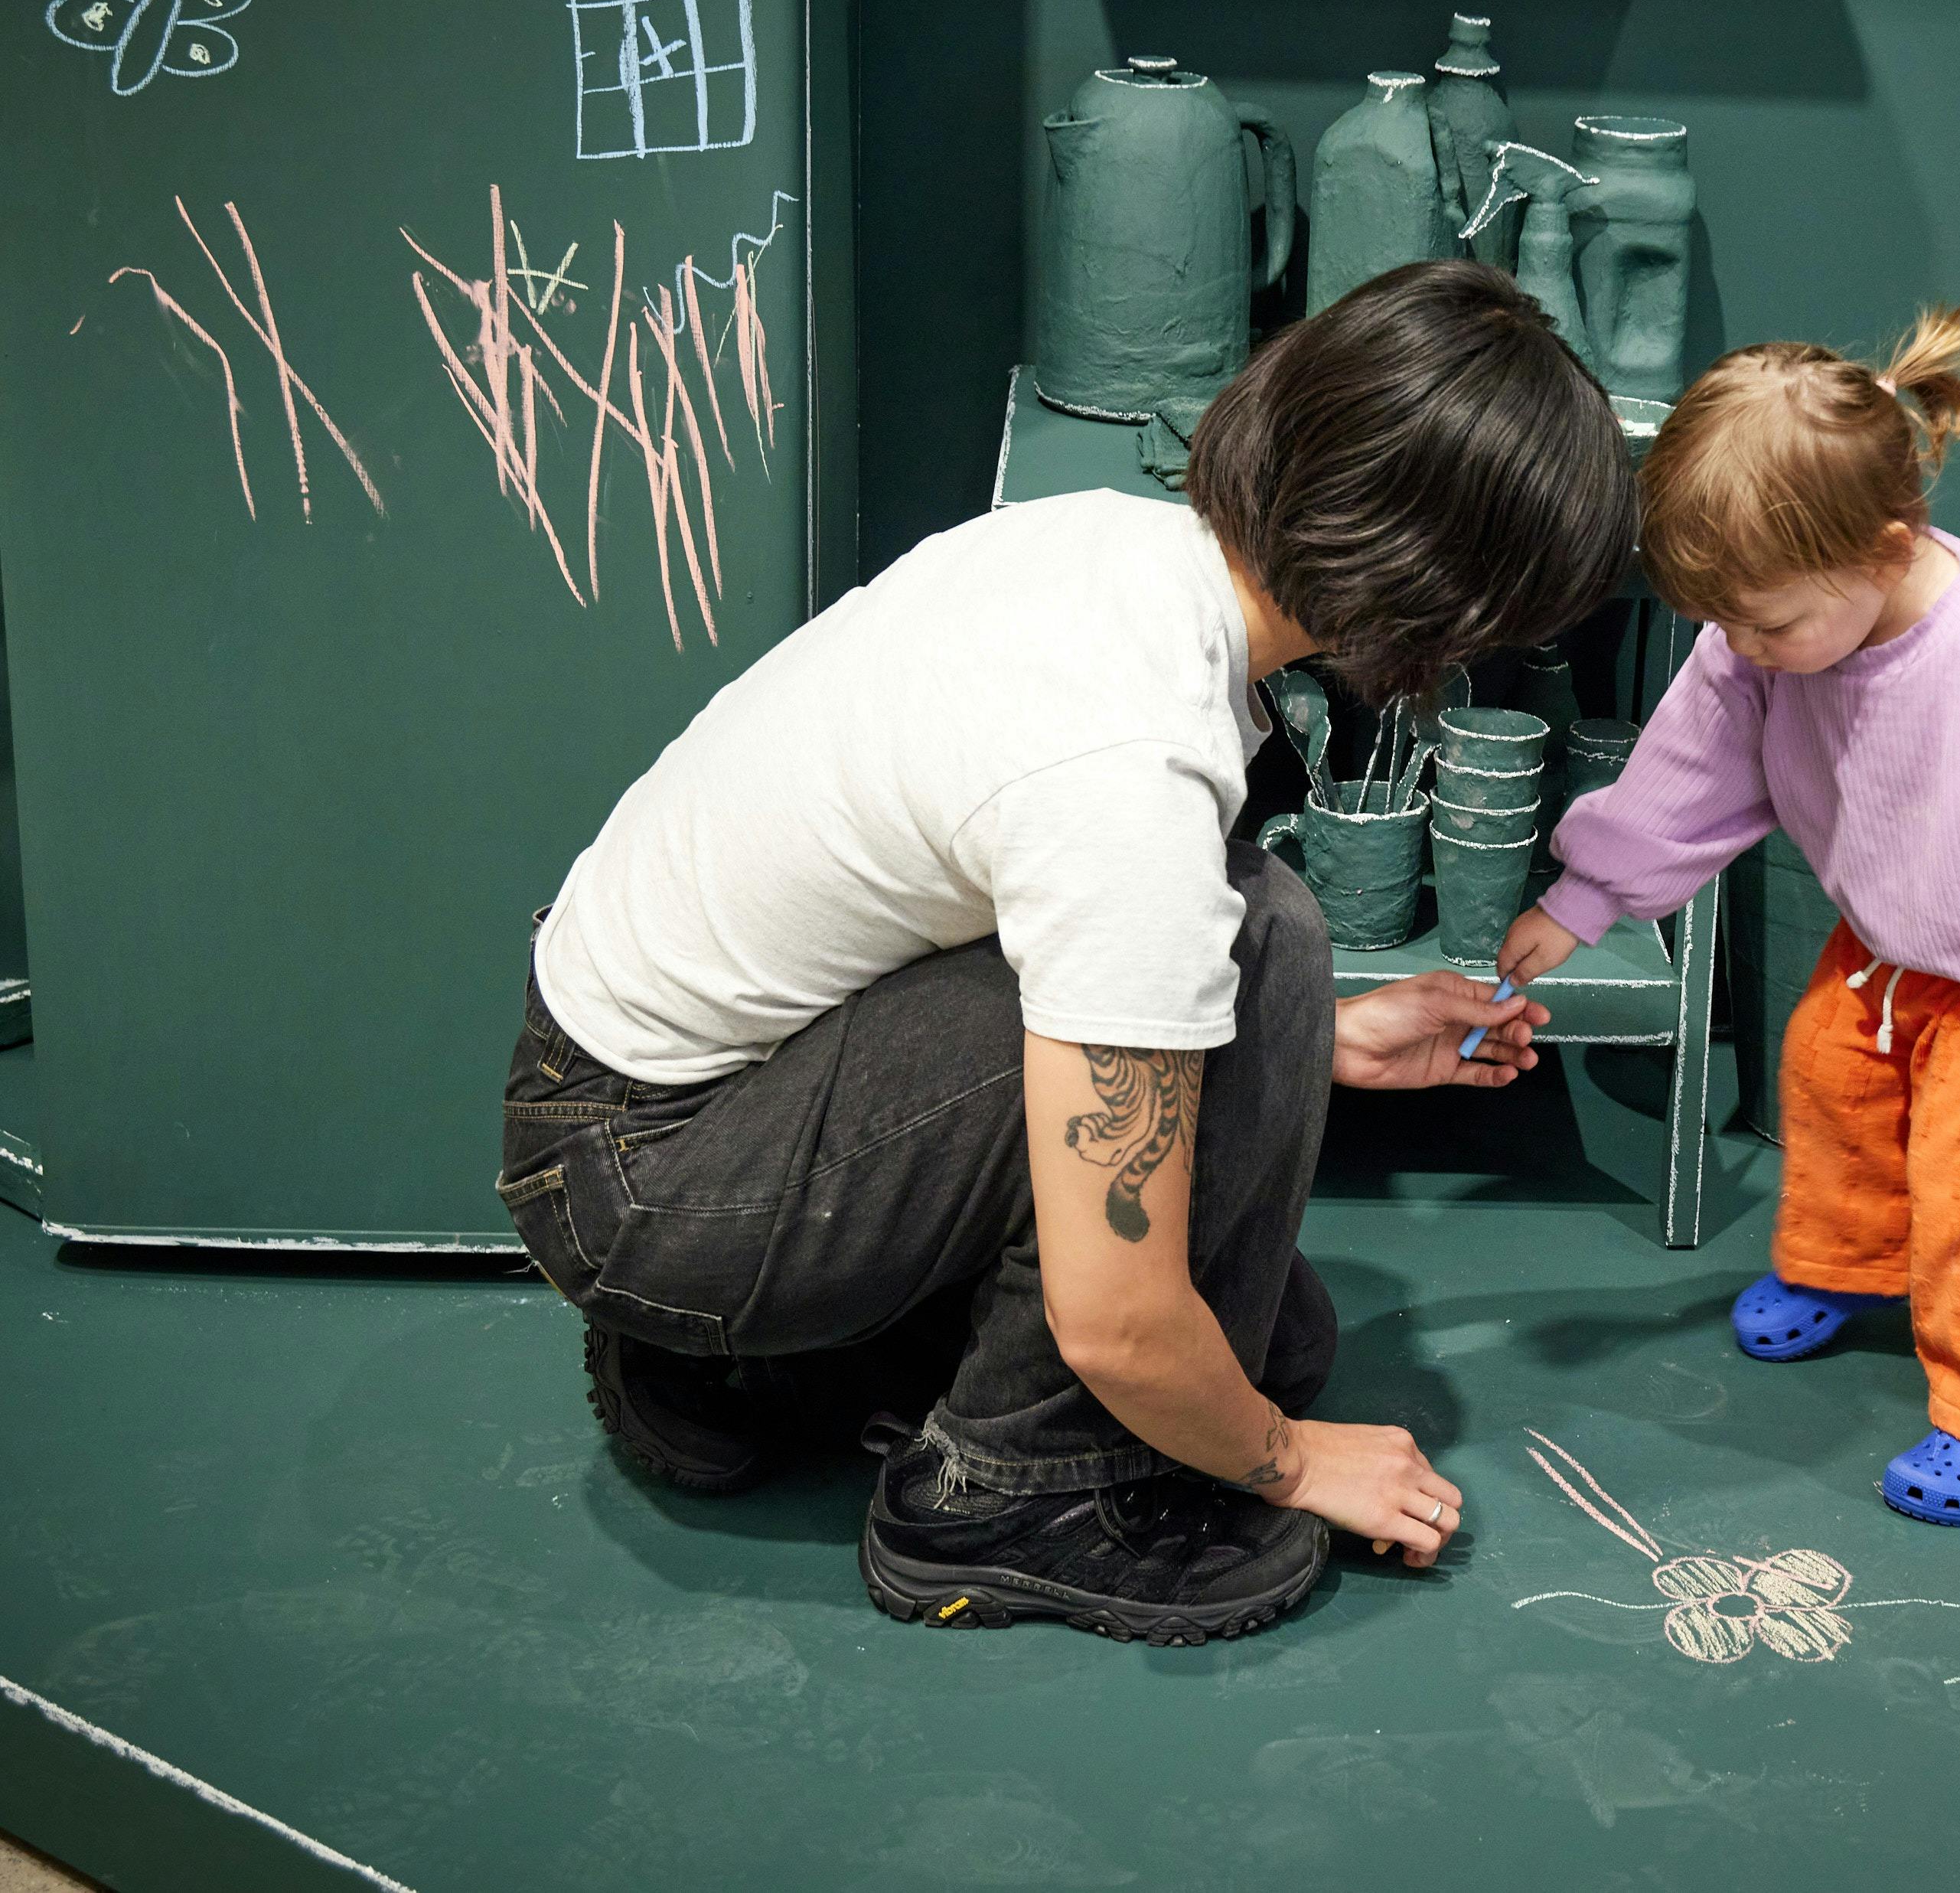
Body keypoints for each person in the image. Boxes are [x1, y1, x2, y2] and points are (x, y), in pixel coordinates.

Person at [498, 261, 1639, 1641]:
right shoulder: (1129, 772)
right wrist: (1289, 1454)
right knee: (1233, 1348)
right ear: (1436, 598)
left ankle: (749, 1371)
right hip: (652, 1181)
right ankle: (1003, 1495)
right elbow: (1116, 1318)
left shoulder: (1104, 544)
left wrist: (1316, 1045)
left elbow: (1029, 930)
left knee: (1273, 1316)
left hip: (654, 1098)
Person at [1498, 306, 1960, 1526]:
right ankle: (1858, 1266)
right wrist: (1590, 894)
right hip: (1895, 941)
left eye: (1770, 622)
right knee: (1836, 1093)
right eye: (1729, 626)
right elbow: (1694, 770)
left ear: (1887, 546)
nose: (1750, 650)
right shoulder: (1765, 647)